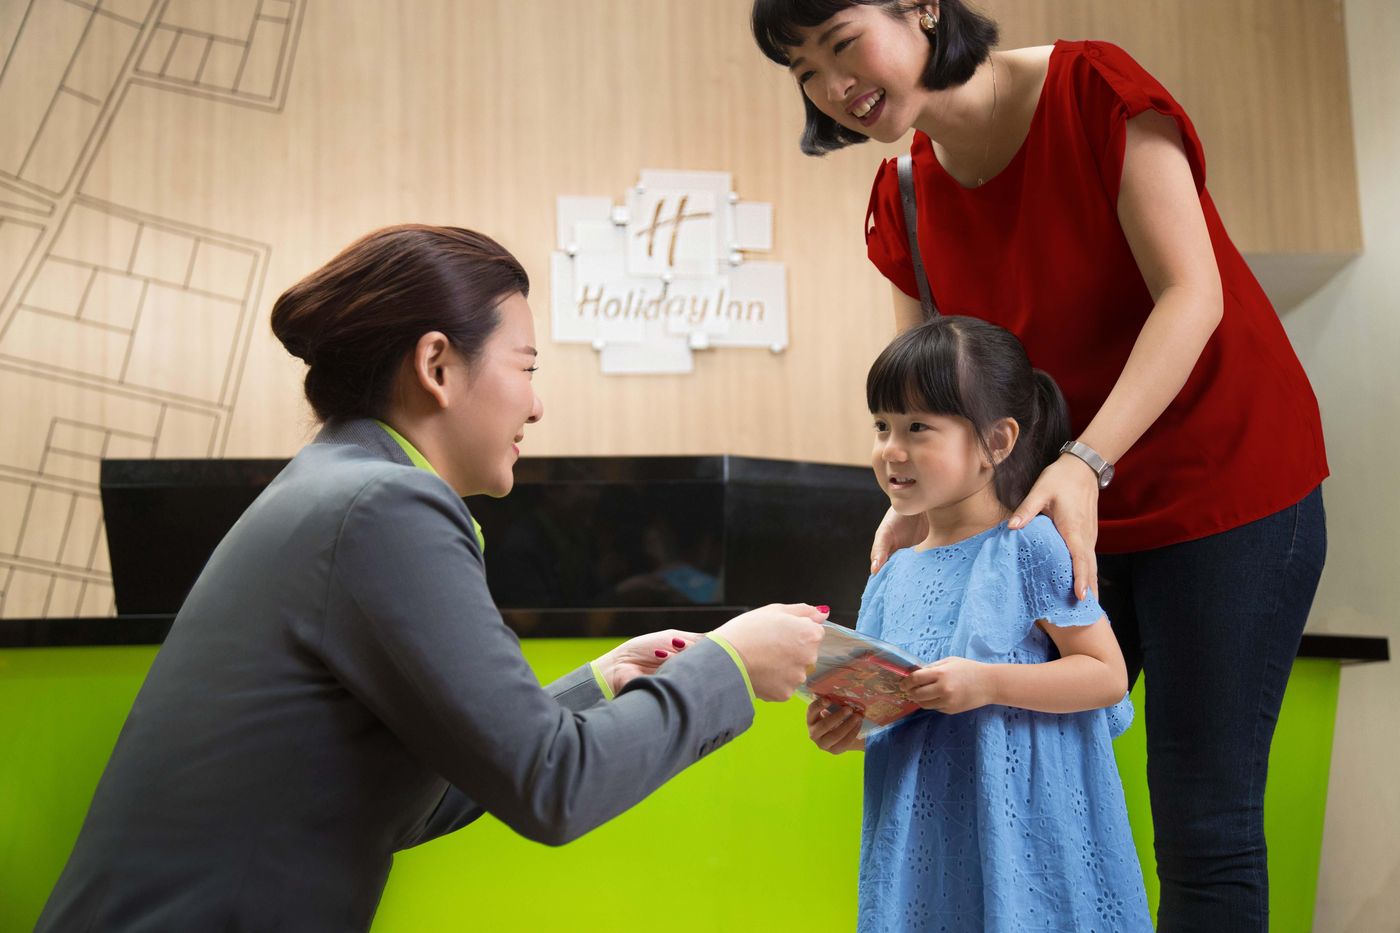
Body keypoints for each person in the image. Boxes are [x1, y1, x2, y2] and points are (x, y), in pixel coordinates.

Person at [36, 225, 827, 931]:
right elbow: (555, 784)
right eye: (525, 366)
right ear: (438, 365)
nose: (537, 403)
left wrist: (600, 681)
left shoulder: (337, 484)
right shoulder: (385, 506)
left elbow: (409, 798)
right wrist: (730, 661)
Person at [753, 2, 1328, 927]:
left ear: (924, 8)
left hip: (1220, 491)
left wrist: (1085, 460)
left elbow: (1194, 292)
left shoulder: (1090, 92)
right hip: (1054, 522)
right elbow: (934, 390)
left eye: (841, 42)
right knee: (1024, 783)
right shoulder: (904, 189)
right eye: (804, 69)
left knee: (1202, 817)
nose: (831, 86)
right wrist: (919, 502)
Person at [808, 316, 1151, 931]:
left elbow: (1106, 675)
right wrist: (851, 724)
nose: (891, 448)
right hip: (926, 834)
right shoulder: (892, 571)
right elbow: (897, 710)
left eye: (918, 428)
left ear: (997, 441)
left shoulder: (1027, 547)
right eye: (882, 426)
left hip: (1025, 828)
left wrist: (989, 683)